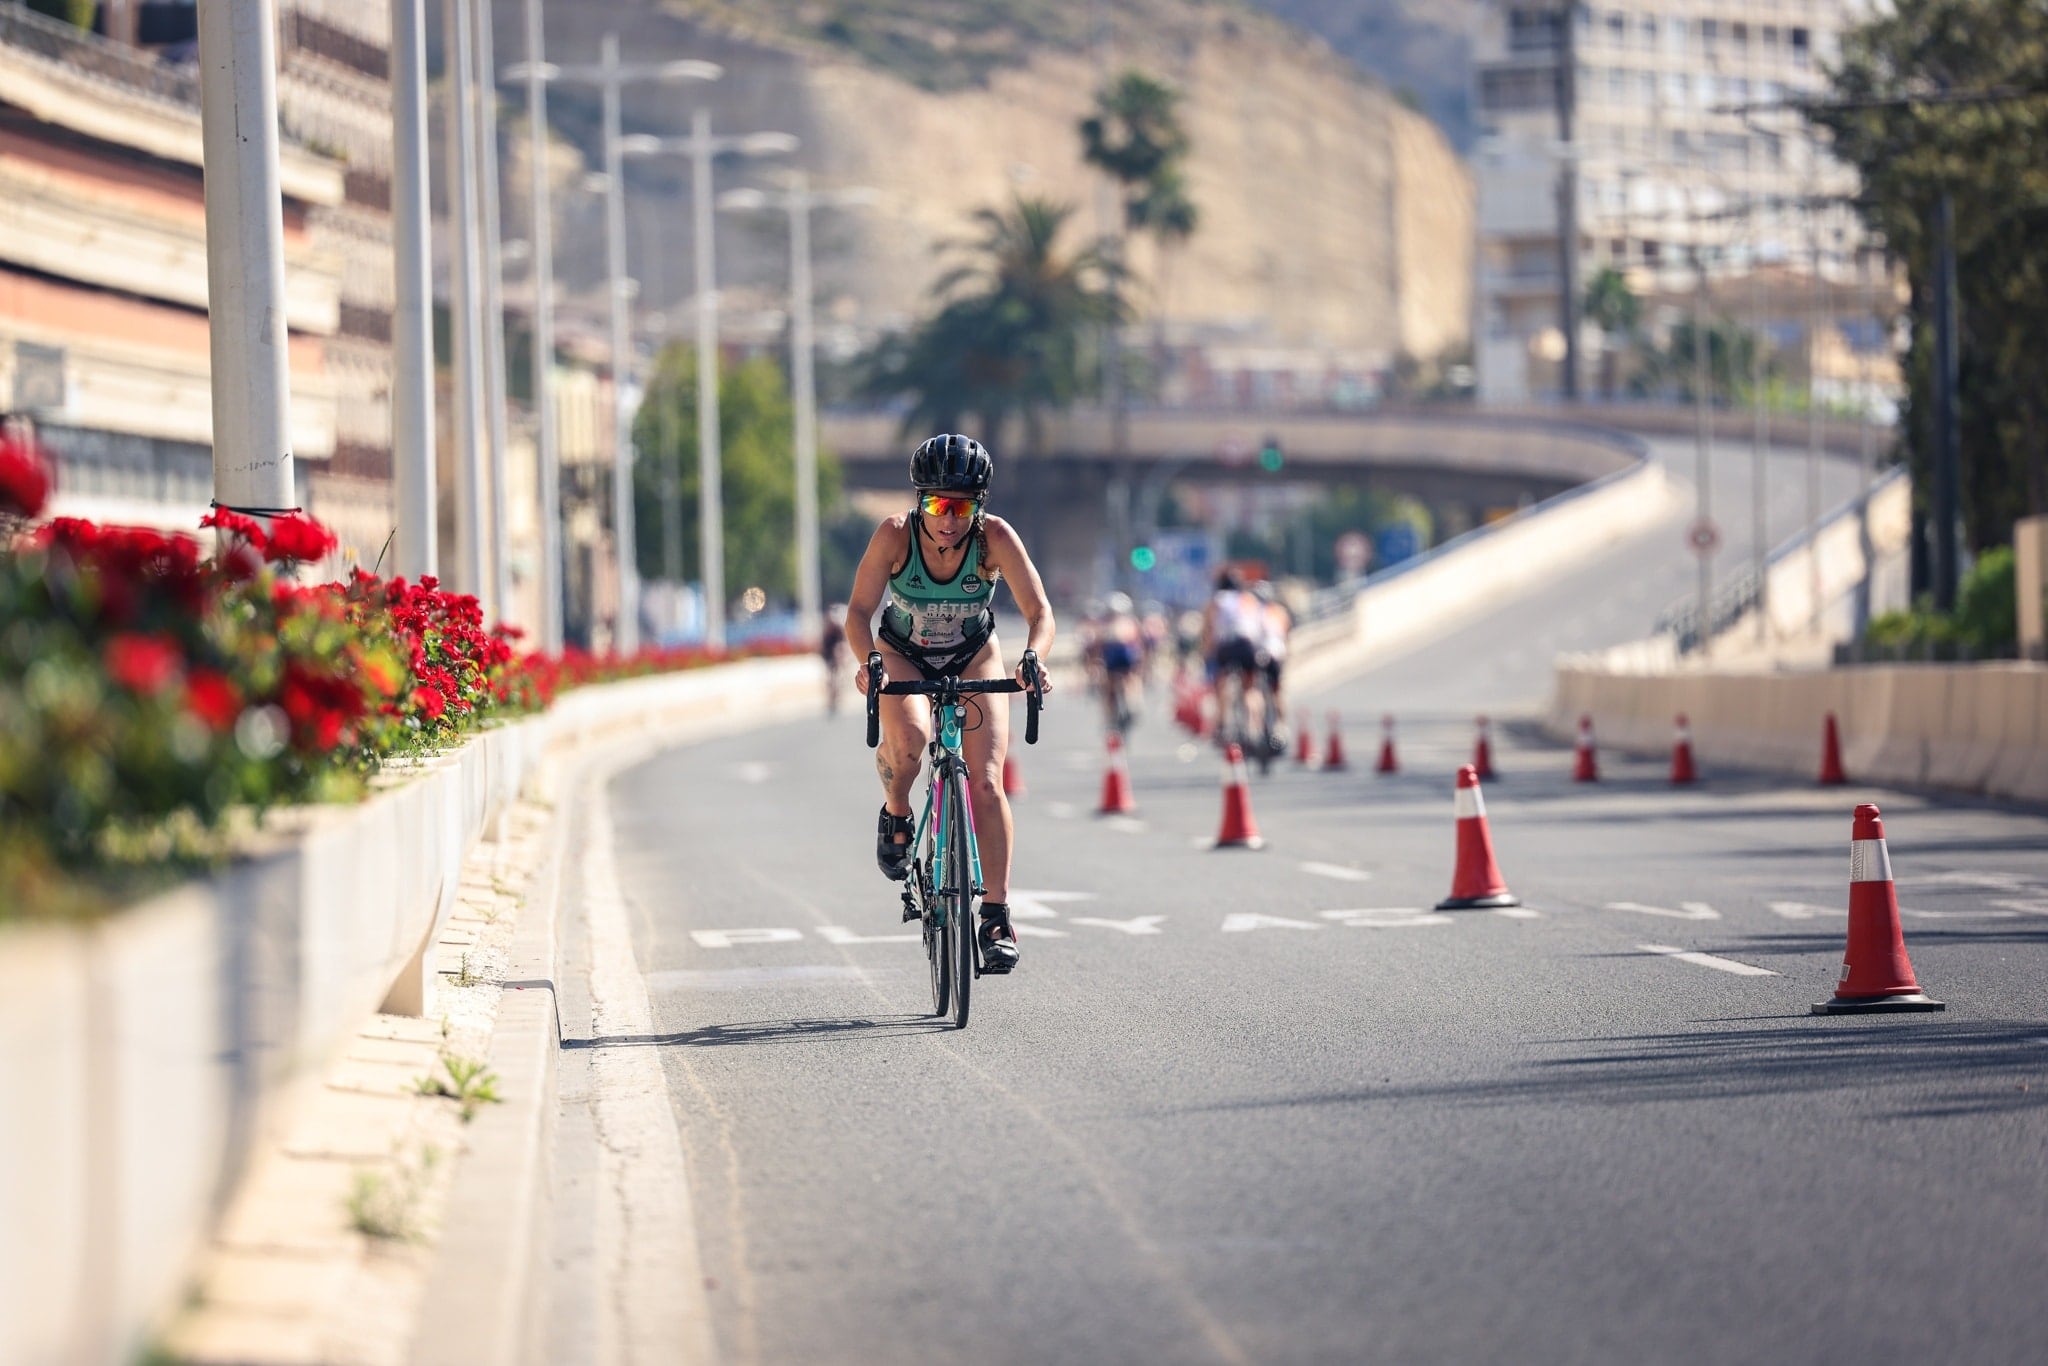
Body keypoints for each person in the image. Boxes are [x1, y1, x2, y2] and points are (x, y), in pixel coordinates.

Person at [845, 434, 1055, 973]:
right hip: (904, 652)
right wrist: (868, 659)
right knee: (911, 743)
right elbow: (858, 613)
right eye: (938, 505)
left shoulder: (994, 539)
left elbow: (1040, 613)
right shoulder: (894, 536)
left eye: (962, 507)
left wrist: (1033, 657)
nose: (949, 520)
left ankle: (996, 915)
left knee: (986, 781)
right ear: (921, 502)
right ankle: (896, 811)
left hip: (972, 654)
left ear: (979, 505)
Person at [1200, 567, 1269, 749]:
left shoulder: (1216, 601)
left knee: (1222, 683)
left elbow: (1208, 631)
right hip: (1248, 646)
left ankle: (1222, 725)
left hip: (1227, 647)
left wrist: (1207, 654)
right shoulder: (1249, 599)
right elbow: (1261, 627)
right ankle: (1255, 727)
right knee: (1250, 688)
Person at [820, 603, 851, 714]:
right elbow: (824, 645)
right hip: (829, 653)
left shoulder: (838, 627)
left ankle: (836, 696)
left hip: (836, 653)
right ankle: (832, 697)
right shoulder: (830, 627)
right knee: (831, 678)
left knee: (838, 677)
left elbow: (843, 644)